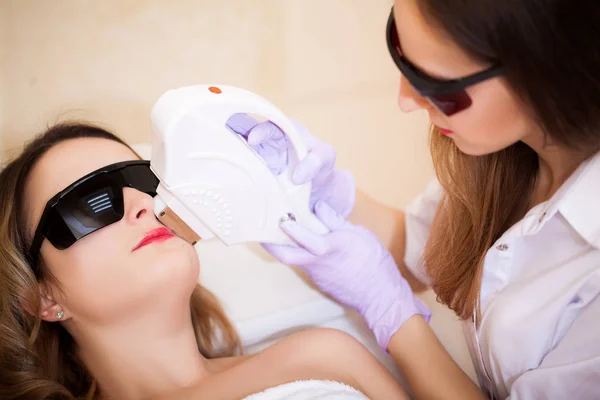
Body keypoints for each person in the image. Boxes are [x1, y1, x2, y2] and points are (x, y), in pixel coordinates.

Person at [226, 0, 600, 398]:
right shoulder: (504, 156)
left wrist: (392, 312)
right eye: (400, 51)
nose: (405, 100)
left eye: (437, 85)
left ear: (551, 71)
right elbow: (426, 249)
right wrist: (331, 192)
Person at [0, 122, 408, 399]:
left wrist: (396, 312)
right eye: (93, 203)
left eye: (147, 180)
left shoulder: (323, 357)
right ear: (42, 298)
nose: (145, 203)